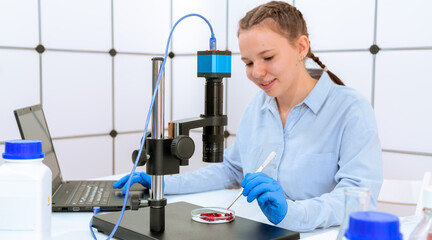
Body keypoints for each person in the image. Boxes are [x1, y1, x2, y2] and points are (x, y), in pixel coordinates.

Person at [113, 1, 382, 232]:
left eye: (267, 57)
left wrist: (292, 212)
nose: (256, 72)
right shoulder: (258, 107)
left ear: (301, 47)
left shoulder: (350, 109)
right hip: (256, 231)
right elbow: (231, 169)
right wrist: (161, 182)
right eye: (249, 63)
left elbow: (359, 197)